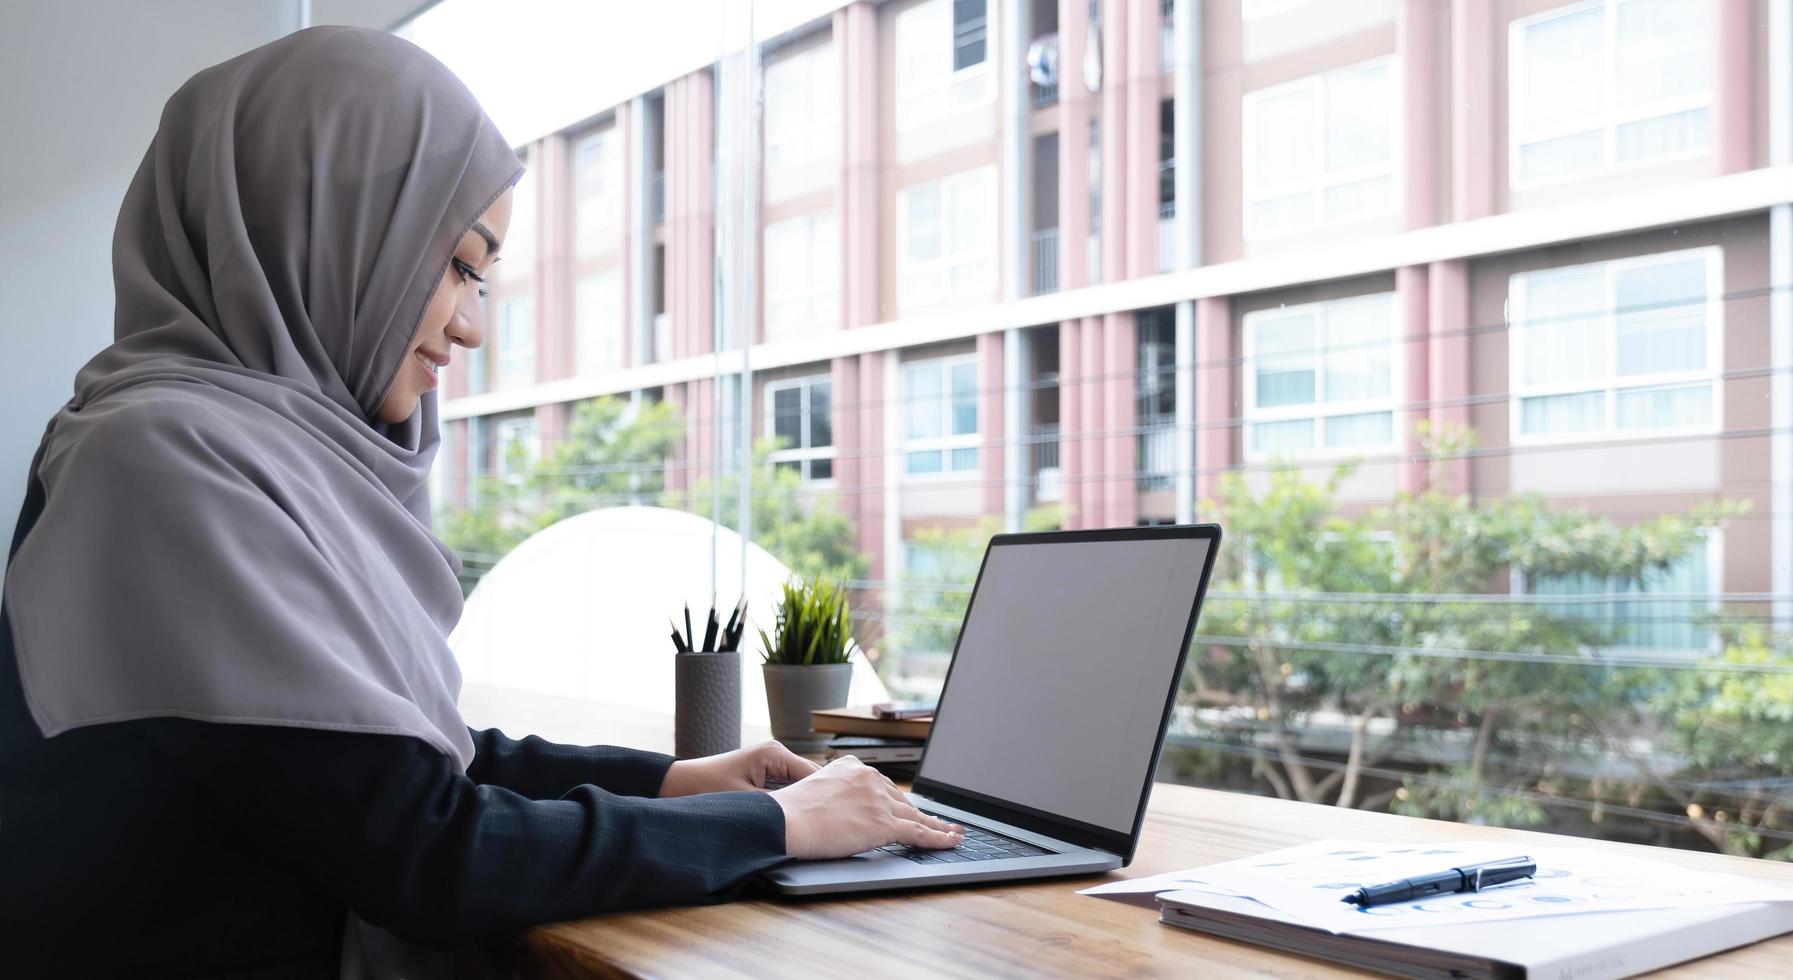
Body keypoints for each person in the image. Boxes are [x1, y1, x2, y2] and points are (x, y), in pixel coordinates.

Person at [0, 27, 960, 978]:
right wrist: (775, 824)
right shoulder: (160, 463)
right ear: (323, 230)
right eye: (457, 263)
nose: (468, 326)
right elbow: (428, 852)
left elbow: (397, 761)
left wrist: (678, 782)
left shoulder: (251, 455)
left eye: (483, 277)